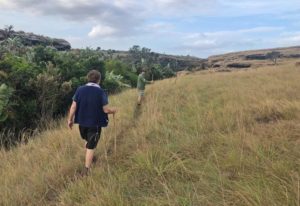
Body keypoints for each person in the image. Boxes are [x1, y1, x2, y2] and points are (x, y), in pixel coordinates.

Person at [68, 70, 117, 175]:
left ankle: (88, 158)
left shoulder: (79, 90)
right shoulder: (101, 92)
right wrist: (113, 110)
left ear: (88, 78)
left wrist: (70, 120)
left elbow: (73, 106)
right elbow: (105, 110)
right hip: (94, 123)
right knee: (91, 146)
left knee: (88, 141)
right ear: (99, 80)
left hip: (81, 123)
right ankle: (87, 169)